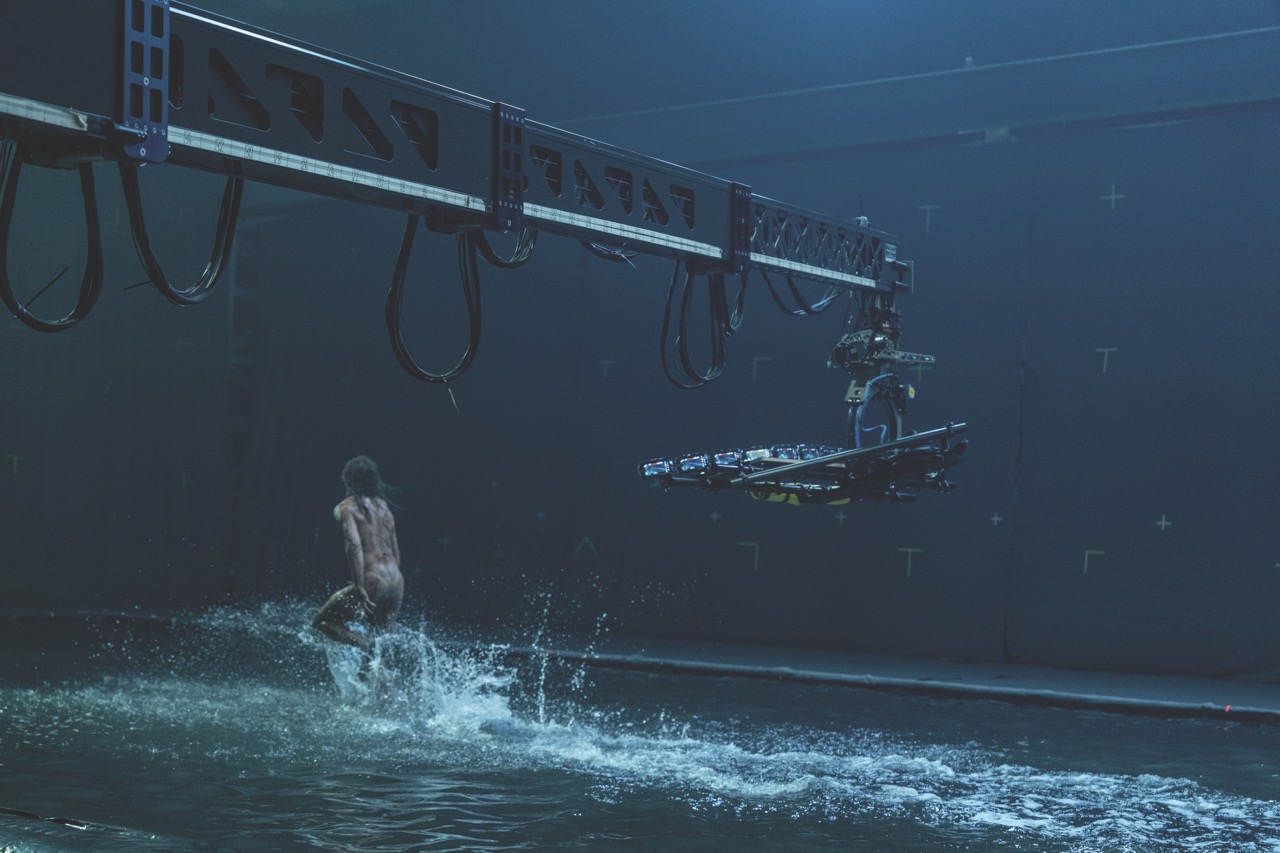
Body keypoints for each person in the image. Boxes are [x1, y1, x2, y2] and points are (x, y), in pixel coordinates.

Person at [312, 456, 404, 654]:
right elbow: (396, 551)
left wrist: (360, 586)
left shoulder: (347, 508)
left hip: (373, 579)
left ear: (348, 480)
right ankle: (374, 671)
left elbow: (354, 546)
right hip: (396, 581)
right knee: (380, 651)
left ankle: (364, 644)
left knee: (322, 622)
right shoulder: (383, 506)